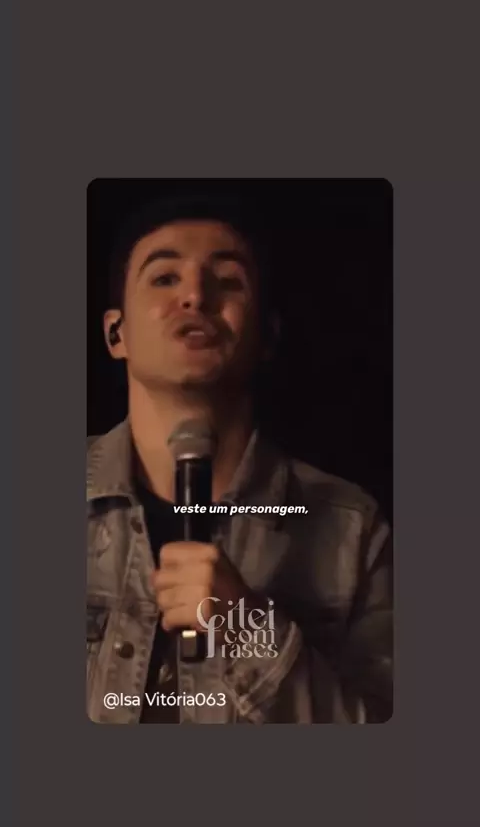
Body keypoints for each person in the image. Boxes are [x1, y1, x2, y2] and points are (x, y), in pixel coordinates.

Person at [87, 192, 393, 724]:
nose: (195, 296)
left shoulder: (352, 529)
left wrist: (249, 631)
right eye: (165, 278)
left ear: (268, 336)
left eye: (228, 281)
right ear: (117, 333)